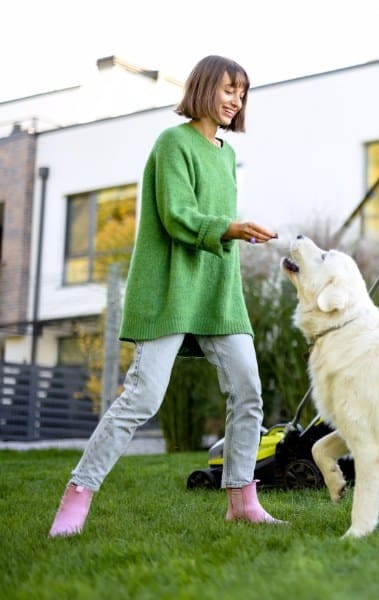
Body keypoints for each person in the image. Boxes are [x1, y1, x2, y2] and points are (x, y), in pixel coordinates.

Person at [49, 55, 285, 537]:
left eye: (242, 92)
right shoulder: (172, 143)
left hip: (219, 294)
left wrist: (233, 232)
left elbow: (215, 224)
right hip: (171, 290)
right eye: (228, 89)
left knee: (249, 391)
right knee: (142, 398)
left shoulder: (224, 155)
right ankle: (77, 496)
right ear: (203, 89)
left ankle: (242, 499)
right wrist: (232, 228)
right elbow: (178, 215)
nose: (235, 100)